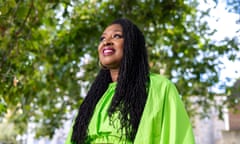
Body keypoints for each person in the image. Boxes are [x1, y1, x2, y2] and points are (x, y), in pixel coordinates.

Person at [65, 18, 195, 144]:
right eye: (102, 38)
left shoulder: (159, 88)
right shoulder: (94, 98)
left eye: (116, 36)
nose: (106, 42)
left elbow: (177, 137)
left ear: (132, 45)